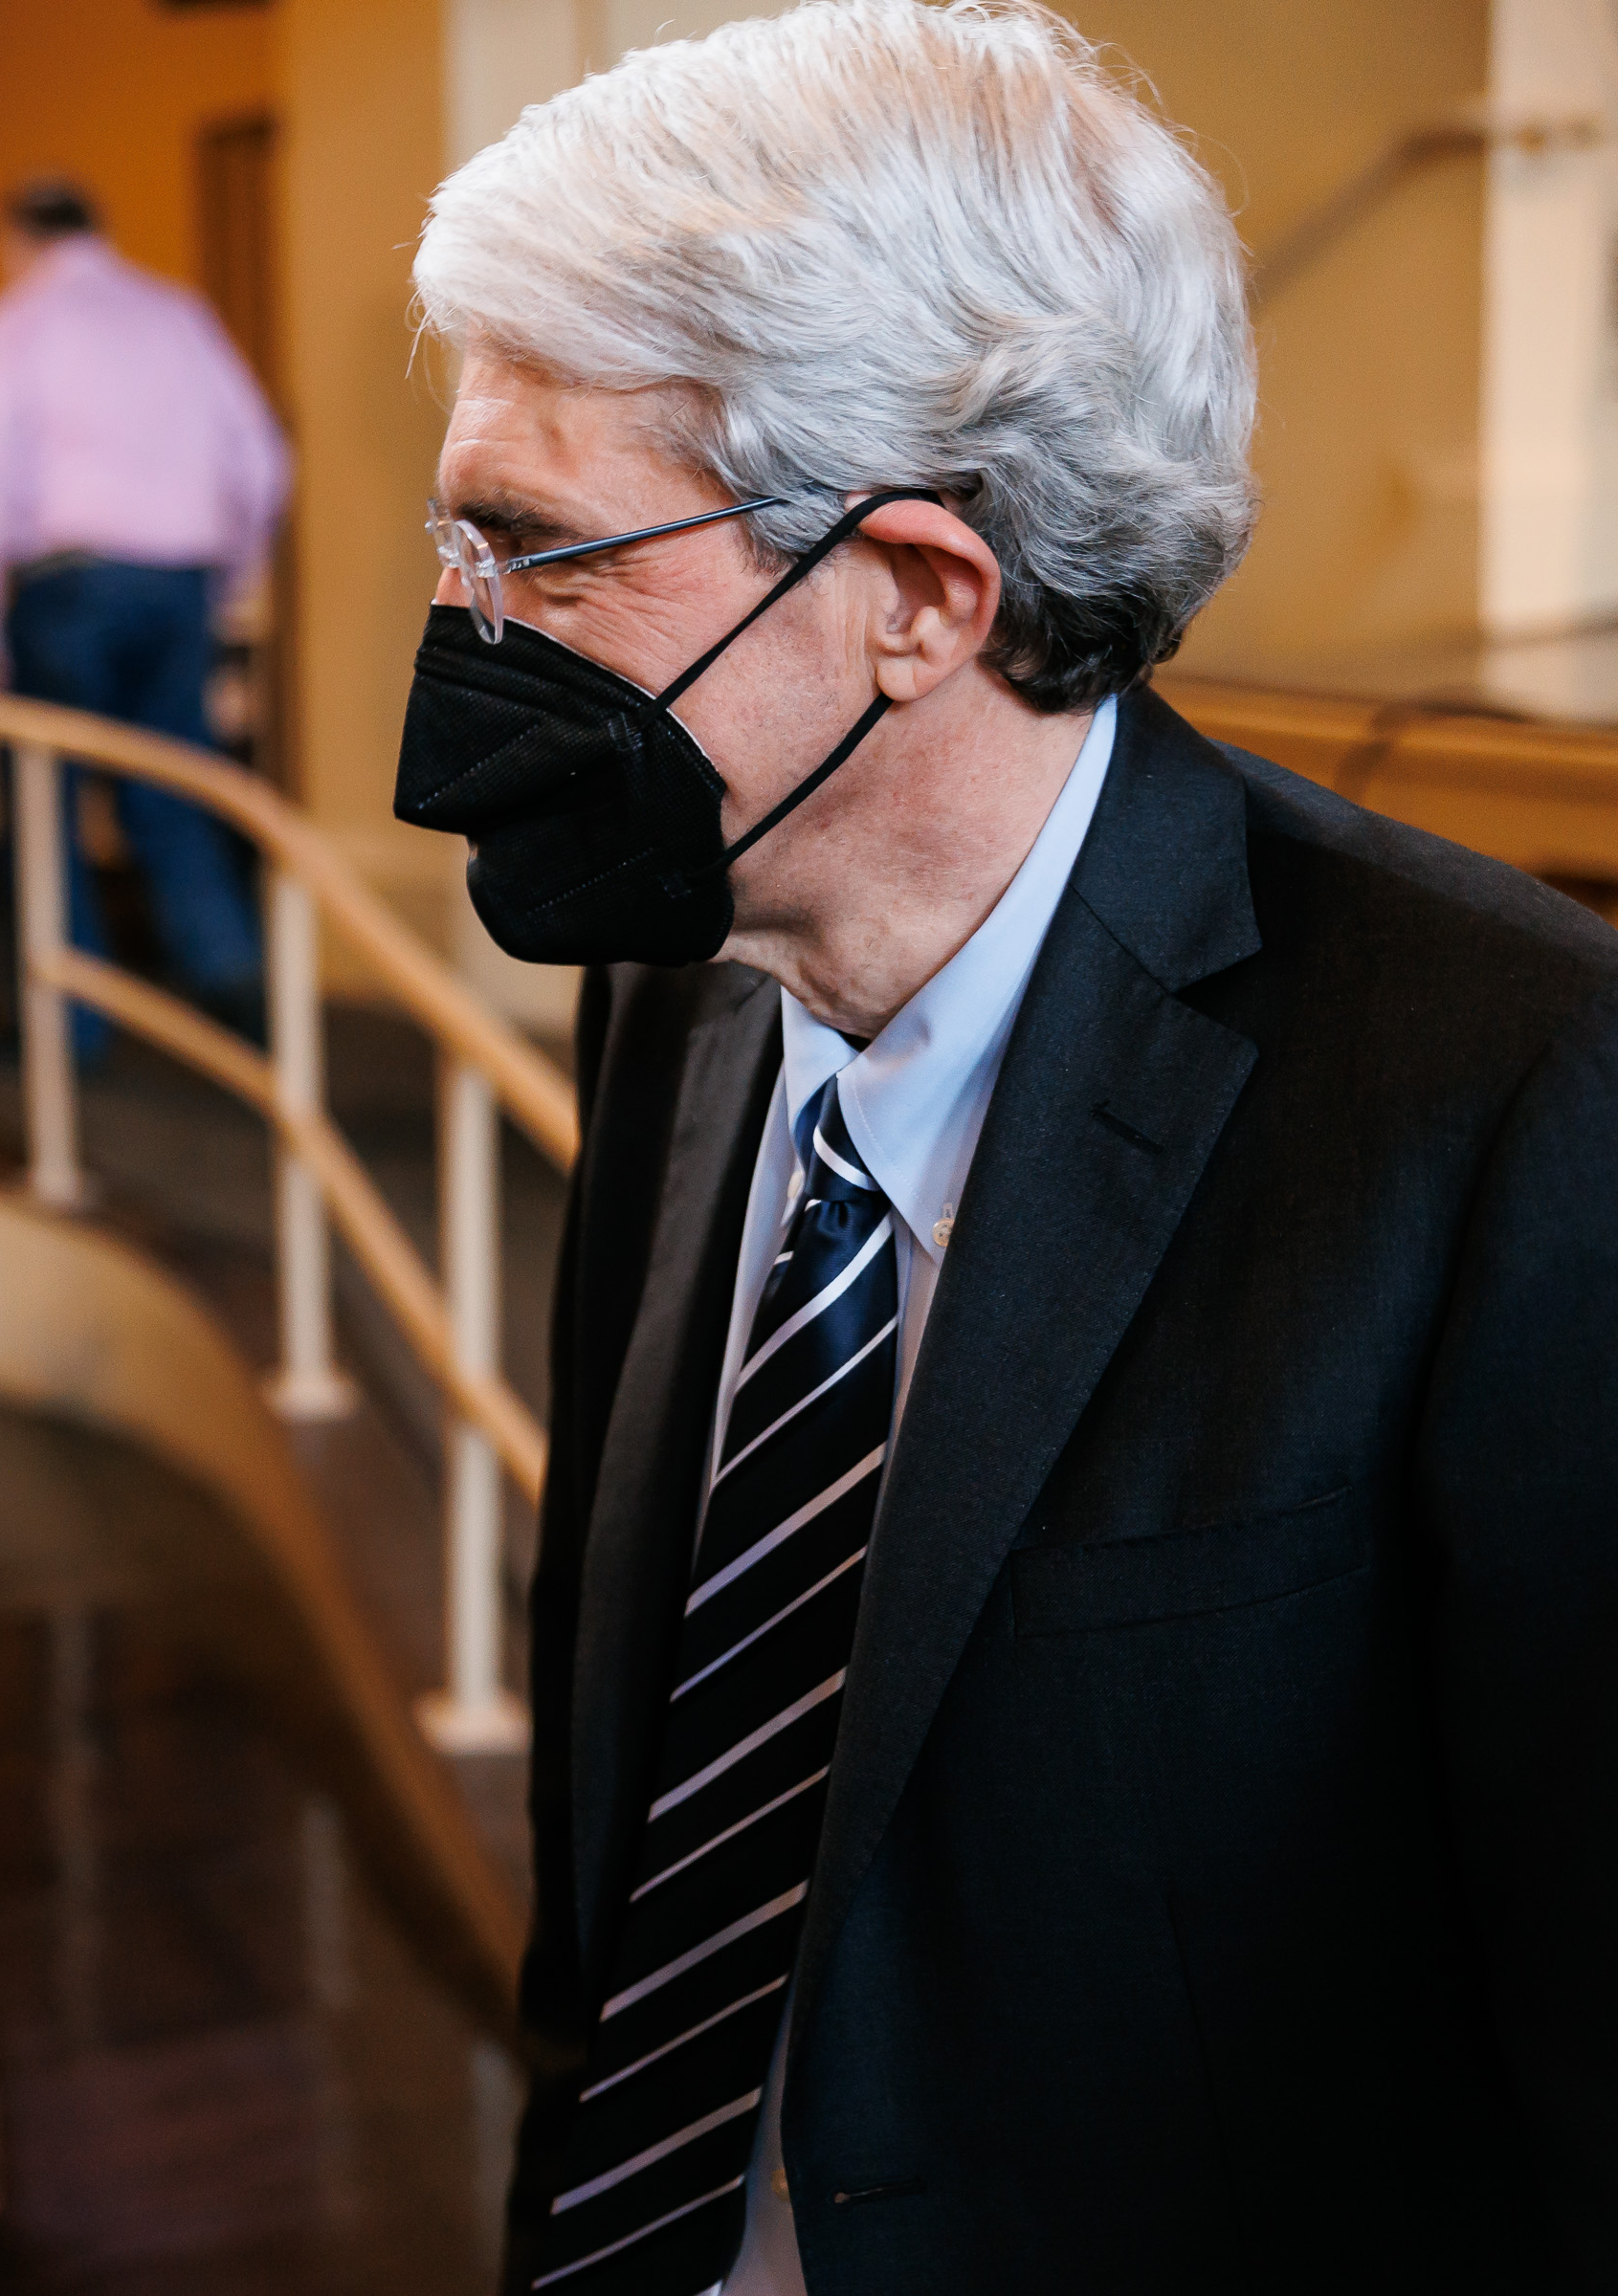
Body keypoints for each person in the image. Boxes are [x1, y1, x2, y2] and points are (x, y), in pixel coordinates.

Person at [389, 6, 1617, 2291]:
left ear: (920, 601)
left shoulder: (1514, 1088)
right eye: (457, 545)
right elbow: (644, 1816)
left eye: (542, 557)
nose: (465, 652)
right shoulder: (685, 973)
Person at [0, 175, 291, 1042]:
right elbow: (264, 459)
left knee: (42, 797)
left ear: (16, 239)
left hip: (70, 586)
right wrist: (234, 578)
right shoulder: (177, 315)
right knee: (174, 780)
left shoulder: (13, 325)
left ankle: (69, 1022)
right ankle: (235, 985)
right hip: (179, 584)